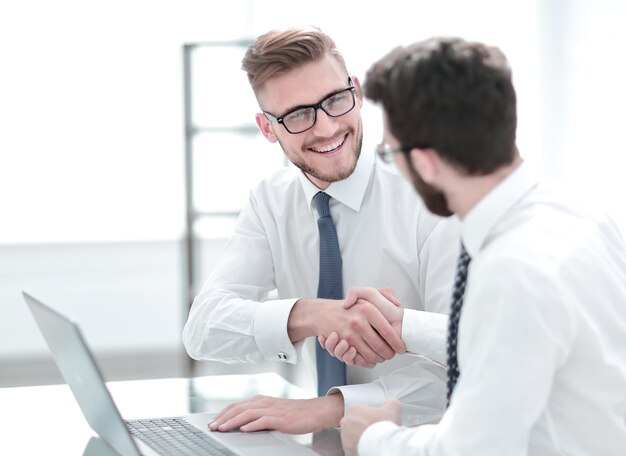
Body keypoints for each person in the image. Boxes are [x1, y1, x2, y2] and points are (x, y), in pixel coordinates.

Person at [337, 37, 626, 455]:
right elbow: (519, 348)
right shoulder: (577, 213)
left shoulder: (513, 270)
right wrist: (406, 326)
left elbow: (474, 449)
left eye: (390, 154)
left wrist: (374, 438)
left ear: (425, 161)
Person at [182, 26, 461, 434]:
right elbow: (203, 329)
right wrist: (313, 314)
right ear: (267, 128)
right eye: (297, 115)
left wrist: (329, 410)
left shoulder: (430, 198)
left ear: (357, 92)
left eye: (335, 100)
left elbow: (469, 361)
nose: (327, 128)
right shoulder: (271, 202)